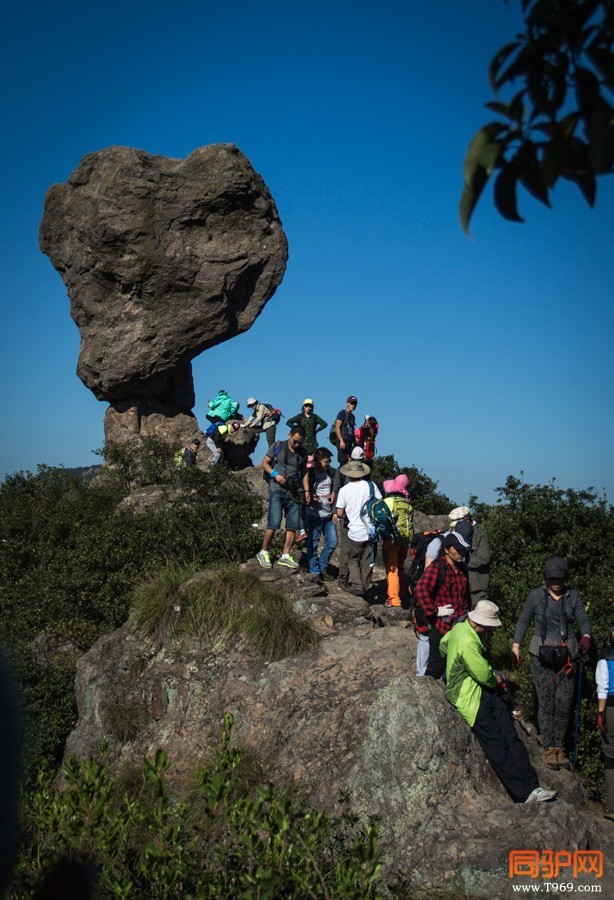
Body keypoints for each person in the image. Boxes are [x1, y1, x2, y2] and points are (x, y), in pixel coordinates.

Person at [440, 601, 557, 804]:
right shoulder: (467, 640)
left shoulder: (459, 627)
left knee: (509, 736)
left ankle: (533, 787)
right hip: (470, 698)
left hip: (480, 691)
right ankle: (525, 791)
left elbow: (443, 644)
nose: (490, 629)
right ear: (481, 623)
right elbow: (484, 675)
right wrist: (499, 678)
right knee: (498, 745)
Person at [511, 556, 592, 770]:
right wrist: (516, 646)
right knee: (546, 703)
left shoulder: (572, 596)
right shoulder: (536, 596)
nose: (556, 582)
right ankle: (548, 747)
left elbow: (583, 618)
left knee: (564, 703)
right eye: (552, 578)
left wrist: (586, 637)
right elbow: (524, 620)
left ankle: (559, 747)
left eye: (559, 578)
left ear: (566, 577)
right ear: (546, 578)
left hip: (568, 657)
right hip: (541, 655)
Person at [415, 532, 472, 679]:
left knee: (454, 665)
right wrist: (434, 611)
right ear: (446, 549)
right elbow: (421, 588)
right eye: (458, 549)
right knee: (436, 665)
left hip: (459, 626)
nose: (461, 553)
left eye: (463, 549)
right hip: (441, 626)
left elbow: (466, 596)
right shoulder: (437, 568)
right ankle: (426, 696)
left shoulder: (461, 569)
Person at [256, 426, 307, 570]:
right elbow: (264, 463)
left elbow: (304, 472)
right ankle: (264, 552)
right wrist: (276, 475)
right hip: (277, 489)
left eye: (300, 442)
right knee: (274, 521)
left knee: (292, 525)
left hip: (294, 492)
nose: (297, 445)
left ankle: (285, 555)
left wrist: (307, 490)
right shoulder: (278, 445)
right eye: (295, 441)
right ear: (290, 435)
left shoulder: (302, 452)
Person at [334, 458, 381, 596]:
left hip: (354, 531)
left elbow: (340, 512)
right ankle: (365, 588)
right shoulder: (371, 485)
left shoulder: (344, 490)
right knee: (367, 561)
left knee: (353, 559)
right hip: (371, 531)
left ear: (348, 474)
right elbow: (379, 503)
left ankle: (357, 584)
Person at [333, 446, 366, 590]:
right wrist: (335, 512)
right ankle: (344, 580)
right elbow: (336, 490)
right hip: (347, 516)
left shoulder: (365, 472)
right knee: (347, 550)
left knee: (358, 553)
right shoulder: (341, 471)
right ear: (349, 458)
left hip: (361, 518)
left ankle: (356, 582)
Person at [303, 447, 337, 581]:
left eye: (329, 462)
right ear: (317, 460)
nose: (328, 464)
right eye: (325, 461)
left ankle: (322, 567)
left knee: (332, 542)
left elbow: (335, 486)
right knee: (313, 542)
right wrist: (311, 496)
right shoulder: (309, 474)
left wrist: (334, 493)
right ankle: (314, 570)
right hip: (314, 514)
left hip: (328, 514)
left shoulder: (329, 472)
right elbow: (303, 490)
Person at [381, 474, 413, 607]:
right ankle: (402, 593)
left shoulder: (388, 502)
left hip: (391, 539)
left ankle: (394, 599)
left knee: (392, 568)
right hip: (404, 539)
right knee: (400, 567)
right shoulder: (406, 503)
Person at [596, 626, 614, 820]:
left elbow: (603, 686)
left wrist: (600, 713)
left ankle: (612, 805)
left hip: (611, 707)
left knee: (611, 755)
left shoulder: (606, 656)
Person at [333, 396, 358, 465]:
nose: (353, 405)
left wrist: (355, 442)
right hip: (343, 440)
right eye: (351, 403)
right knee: (343, 461)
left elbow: (352, 429)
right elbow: (337, 427)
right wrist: (341, 441)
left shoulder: (352, 416)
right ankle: (339, 475)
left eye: (355, 404)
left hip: (350, 442)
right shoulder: (342, 413)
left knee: (349, 462)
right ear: (347, 403)